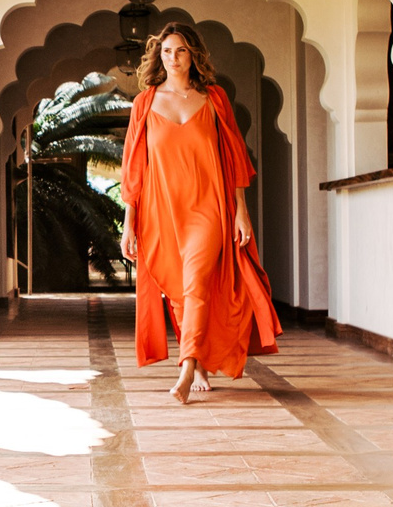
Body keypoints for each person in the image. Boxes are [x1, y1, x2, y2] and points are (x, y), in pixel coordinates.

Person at [119, 23, 280, 403]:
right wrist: (129, 223)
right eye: (166, 52)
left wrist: (241, 212)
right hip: (161, 210)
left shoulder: (214, 98)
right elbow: (133, 167)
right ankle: (201, 360)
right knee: (180, 292)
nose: (172, 59)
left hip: (208, 207)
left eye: (180, 51)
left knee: (198, 283)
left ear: (194, 55)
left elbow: (235, 159)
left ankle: (188, 365)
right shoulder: (145, 103)